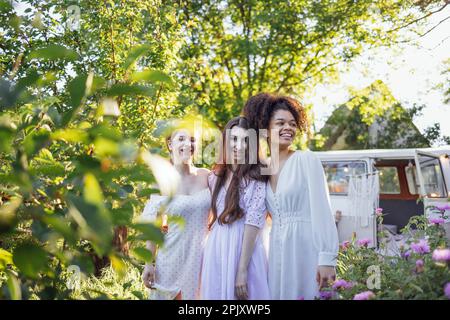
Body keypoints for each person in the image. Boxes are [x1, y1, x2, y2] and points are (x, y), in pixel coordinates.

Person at [243, 93, 339, 300]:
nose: (288, 128)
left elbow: (323, 211)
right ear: (265, 128)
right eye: (280, 123)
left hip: (307, 248)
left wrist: (327, 258)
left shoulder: (306, 159)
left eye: (293, 124)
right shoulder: (262, 168)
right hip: (277, 249)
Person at [200, 117, 270, 300]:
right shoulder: (214, 177)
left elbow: (254, 221)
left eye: (245, 140)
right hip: (217, 248)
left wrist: (242, 270)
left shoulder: (256, 177)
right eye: (234, 139)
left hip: (244, 249)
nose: (238, 146)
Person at [141, 128, 210, 300]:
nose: (188, 144)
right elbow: (153, 228)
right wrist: (148, 263)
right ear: (170, 145)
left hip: (201, 259)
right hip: (171, 258)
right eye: (181, 139)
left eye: (193, 140)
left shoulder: (207, 176)